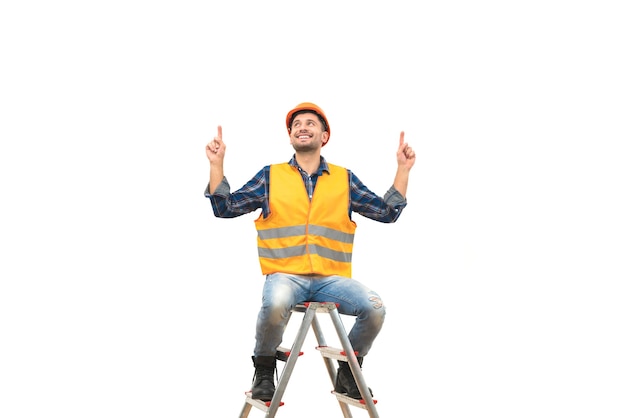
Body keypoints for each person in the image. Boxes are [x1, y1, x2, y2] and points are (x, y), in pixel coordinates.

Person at [204, 102, 415, 401]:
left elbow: (387, 212)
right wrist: (216, 165)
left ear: (324, 136)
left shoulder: (345, 179)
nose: (303, 127)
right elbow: (224, 208)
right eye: (297, 124)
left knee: (375, 308)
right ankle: (263, 371)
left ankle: (349, 371)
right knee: (276, 302)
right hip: (285, 276)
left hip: (332, 280)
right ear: (290, 136)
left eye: (310, 123)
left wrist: (403, 170)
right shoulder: (270, 176)